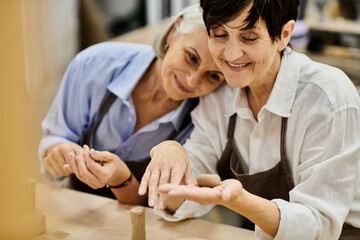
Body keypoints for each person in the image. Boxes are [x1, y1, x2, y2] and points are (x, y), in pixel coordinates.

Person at [138, 0, 360, 239]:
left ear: (284, 35)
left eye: (250, 38)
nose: (232, 54)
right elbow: (185, 197)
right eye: (220, 34)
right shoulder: (221, 91)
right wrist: (171, 154)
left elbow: (321, 225)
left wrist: (242, 201)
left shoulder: (326, 98)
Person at [38, 4, 224, 205]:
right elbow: (56, 137)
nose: (192, 81)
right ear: (173, 33)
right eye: (191, 57)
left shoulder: (205, 120)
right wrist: (59, 152)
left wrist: (120, 177)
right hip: (76, 208)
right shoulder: (92, 65)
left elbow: (162, 209)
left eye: (213, 76)